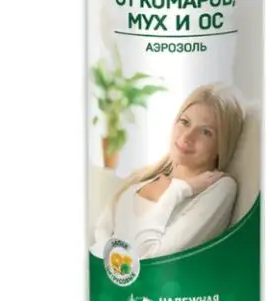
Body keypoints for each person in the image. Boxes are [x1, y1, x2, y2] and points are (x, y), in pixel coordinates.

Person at [92, 84, 244, 259]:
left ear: (221, 145)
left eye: (205, 132)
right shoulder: (142, 179)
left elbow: (151, 260)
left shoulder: (221, 188)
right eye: (185, 122)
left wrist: (178, 190)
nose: (186, 137)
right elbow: (100, 237)